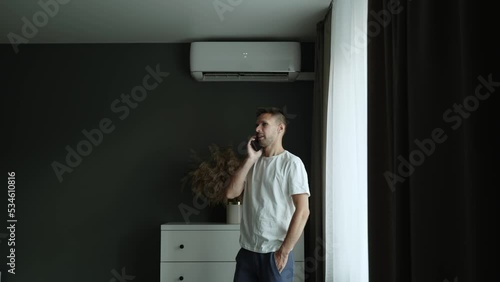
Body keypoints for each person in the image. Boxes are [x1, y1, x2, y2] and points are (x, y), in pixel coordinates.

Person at [226, 107, 310, 282]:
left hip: (275, 253)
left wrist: (284, 252)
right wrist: (249, 159)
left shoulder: (292, 163)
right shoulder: (252, 163)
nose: (257, 129)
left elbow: (303, 211)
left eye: (264, 124)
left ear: (280, 128)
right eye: (257, 125)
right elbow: (231, 193)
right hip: (247, 253)